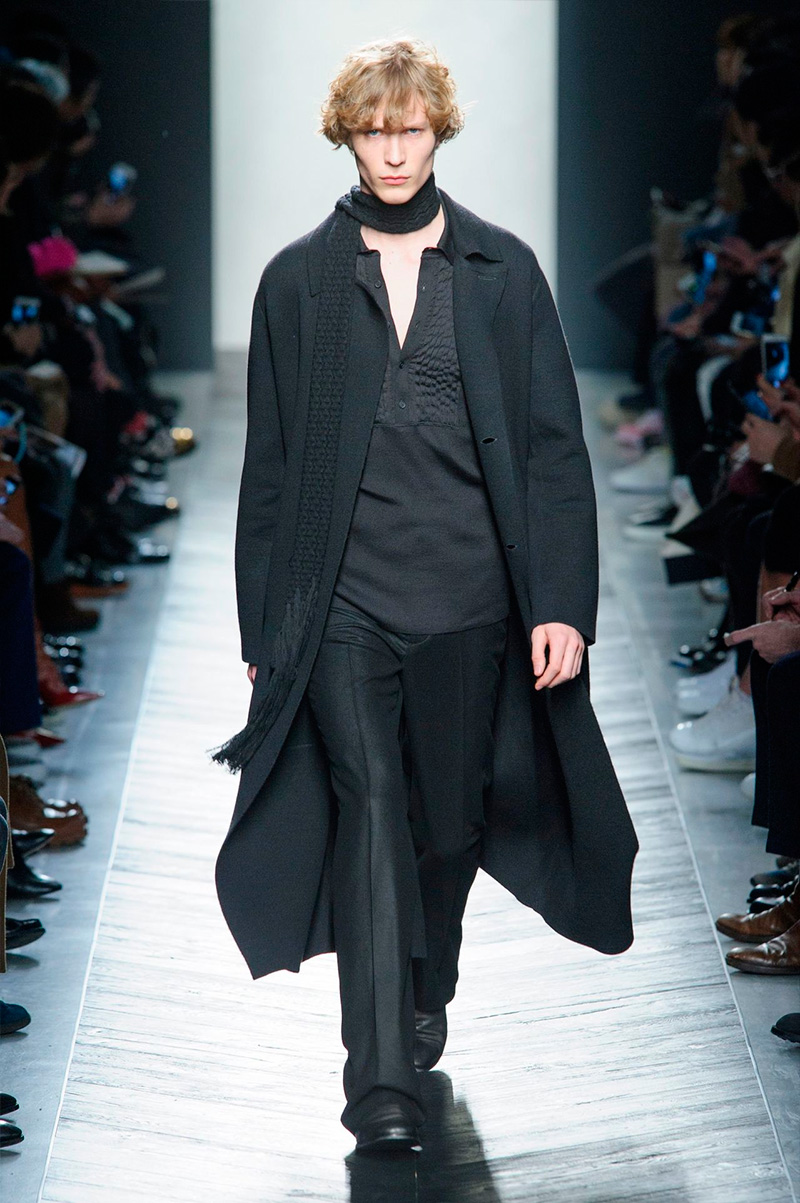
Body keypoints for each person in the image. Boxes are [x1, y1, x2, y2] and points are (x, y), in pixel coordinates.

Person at [213, 37, 638, 1155]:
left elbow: (553, 451)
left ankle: (422, 983)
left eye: (408, 129)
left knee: (446, 824)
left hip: (470, 597)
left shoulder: (500, 271)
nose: (393, 151)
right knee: (367, 807)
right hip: (341, 602)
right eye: (373, 130)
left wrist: (560, 603)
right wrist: (266, 626)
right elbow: (270, 468)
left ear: (437, 130)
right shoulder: (297, 281)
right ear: (347, 138)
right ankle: (379, 1084)